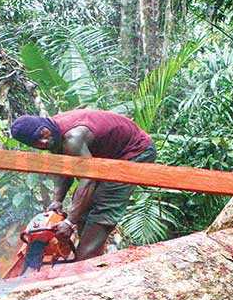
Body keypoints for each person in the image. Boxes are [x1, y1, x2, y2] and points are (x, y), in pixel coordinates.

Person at [10, 109, 156, 261]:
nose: (43, 142)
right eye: (36, 142)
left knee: (103, 202)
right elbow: (65, 168)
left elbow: (88, 180)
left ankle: (86, 259)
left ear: (43, 124)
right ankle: (86, 254)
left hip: (136, 151)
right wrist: (57, 200)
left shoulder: (73, 137)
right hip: (108, 157)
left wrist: (69, 222)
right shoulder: (53, 133)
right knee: (83, 202)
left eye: (42, 135)